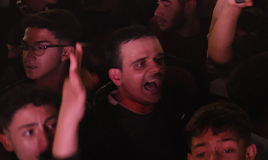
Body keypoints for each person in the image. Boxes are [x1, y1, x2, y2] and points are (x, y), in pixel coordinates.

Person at [79, 26, 188, 160]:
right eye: (141, 64)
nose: (156, 68)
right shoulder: (95, 129)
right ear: (117, 77)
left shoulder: (178, 103)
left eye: (159, 59)